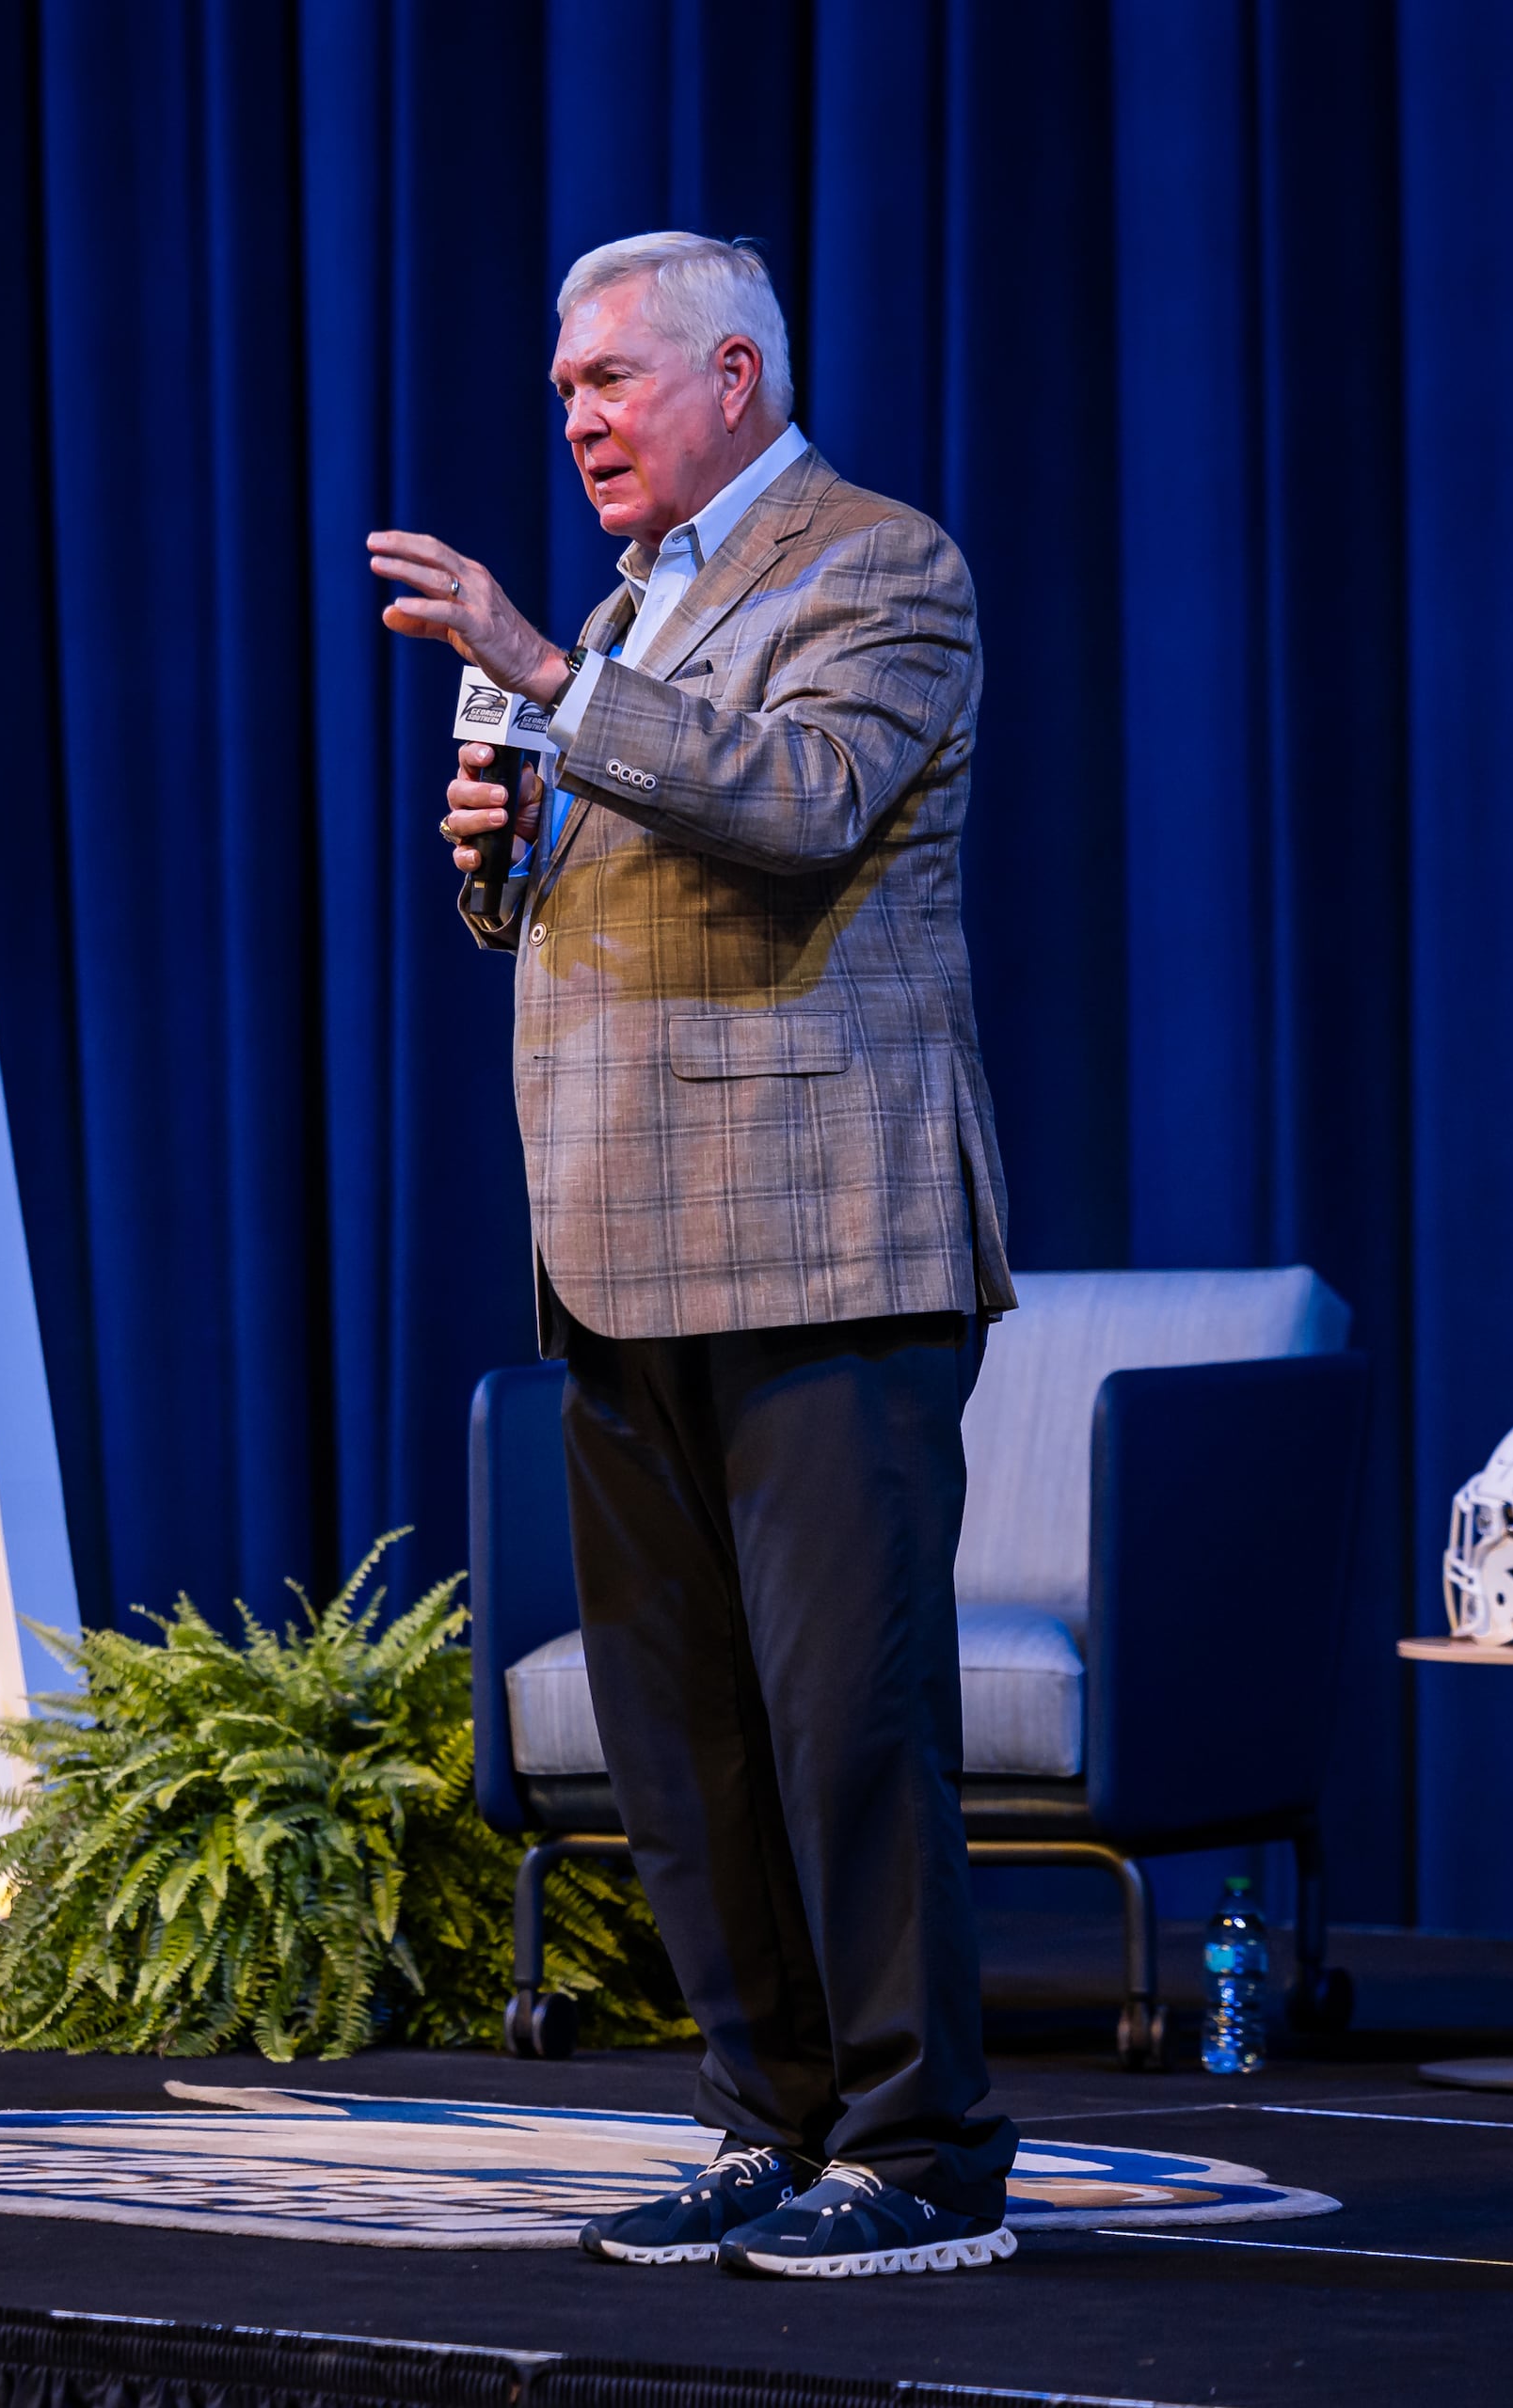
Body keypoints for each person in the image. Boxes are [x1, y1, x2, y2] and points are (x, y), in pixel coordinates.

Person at [365, 231, 1020, 2280]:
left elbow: (810, 803)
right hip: (614, 1237)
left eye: (612, 380)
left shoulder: (877, 564)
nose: (578, 417)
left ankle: (922, 2150)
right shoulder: (630, 605)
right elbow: (589, 885)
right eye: (563, 387)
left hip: (824, 1238)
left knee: (848, 1725)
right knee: (684, 1741)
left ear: (734, 376)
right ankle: (771, 2118)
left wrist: (558, 683)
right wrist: (499, 856)